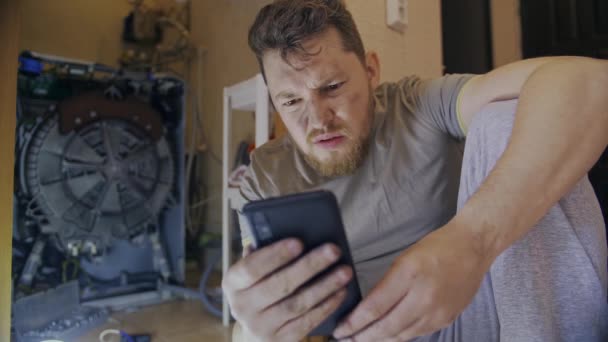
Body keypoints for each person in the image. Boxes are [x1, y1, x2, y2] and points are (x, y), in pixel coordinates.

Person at [221, 1, 608, 341]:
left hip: (477, 318)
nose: (318, 119)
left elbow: (591, 83)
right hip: (360, 333)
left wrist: (473, 240)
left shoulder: (417, 105)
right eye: (290, 101)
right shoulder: (265, 177)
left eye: (333, 86)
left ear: (371, 70)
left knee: (505, 117)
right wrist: (257, 328)